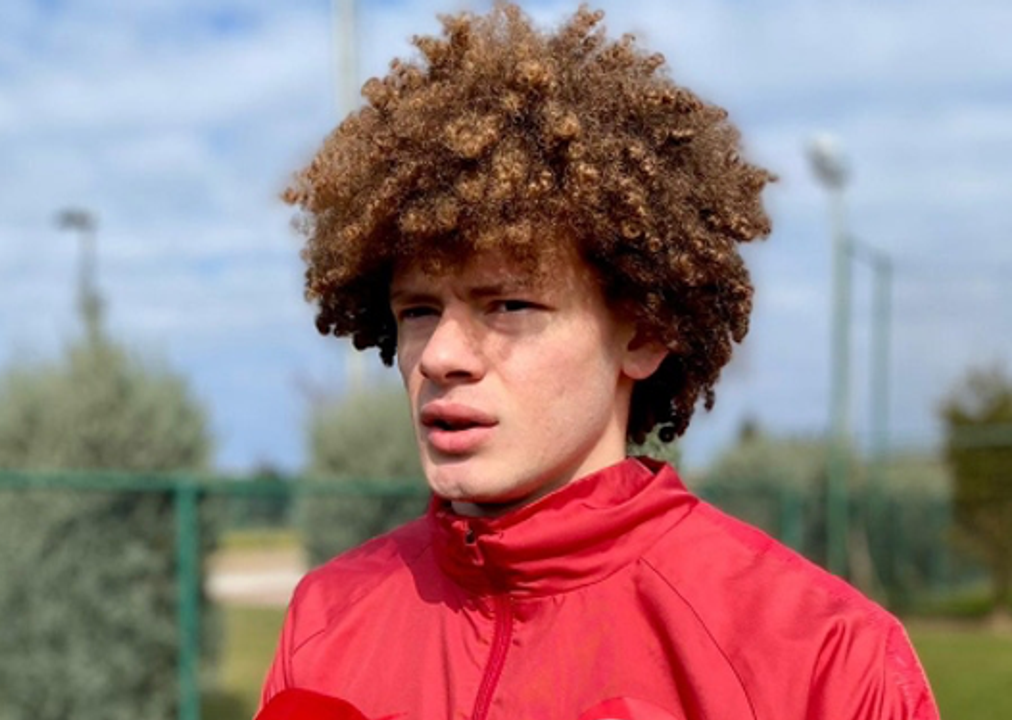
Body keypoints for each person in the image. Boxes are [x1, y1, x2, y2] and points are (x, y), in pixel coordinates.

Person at [259, 4, 940, 719]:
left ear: (643, 335)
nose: (442, 356)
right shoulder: (324, 624)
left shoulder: (824, 659)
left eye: (509, 305)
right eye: (419, 311)